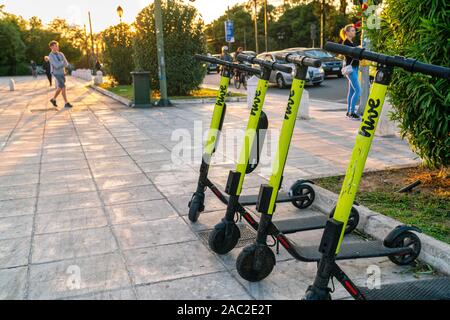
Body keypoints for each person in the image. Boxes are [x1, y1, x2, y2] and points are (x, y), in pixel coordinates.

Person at [339, 24, 361, 120]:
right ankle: (352, 112)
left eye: (354, 30)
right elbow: (350, 55)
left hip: (354, 68)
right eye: (352, 30)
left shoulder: (351, 42)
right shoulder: (346, 42)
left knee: (352, 91)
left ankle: (349, 111)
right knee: (358, 90)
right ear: (347, 32)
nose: (354, 32)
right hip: (351, 69)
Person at [48, 40, 73, 108]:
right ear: (51, 47)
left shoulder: (61, 54)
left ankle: (53, 99)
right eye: (56, 46)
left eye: (57, 46)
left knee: (60, 87)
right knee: (63, 86)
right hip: (56, 73)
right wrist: (62, 63)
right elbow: (56, 66)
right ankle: (66, 103)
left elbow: (66, 63)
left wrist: (61, 63)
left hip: (62, 72)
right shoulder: (50, 56)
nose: (57, 47)